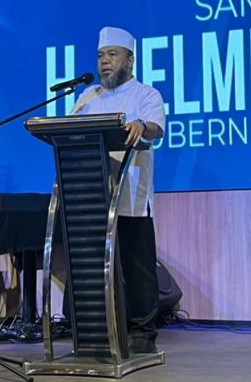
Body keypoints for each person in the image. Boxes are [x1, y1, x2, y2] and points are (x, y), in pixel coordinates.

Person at [70, 26, 166, 354]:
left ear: (130, 60)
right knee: (93, 269)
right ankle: (97, 330)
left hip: (130, 197)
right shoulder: (88, 97)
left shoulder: (146, 95)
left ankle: (142, 333)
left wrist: (141, 125)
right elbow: (69, 131)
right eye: (101, 55)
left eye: (113, 54)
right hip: (91, 197)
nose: (105, 61)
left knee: (138, 270)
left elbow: (155, 128)